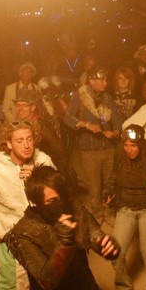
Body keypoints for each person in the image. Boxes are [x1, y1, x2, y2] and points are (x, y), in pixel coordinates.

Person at [4, 166, 120, 290]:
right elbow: (47, 281)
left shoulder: (74, 208)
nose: (59, 204)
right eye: (51, 200)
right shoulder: (24, 232)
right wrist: (64, 243)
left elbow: (95, 235)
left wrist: (105, 246)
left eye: (61, 197)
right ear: (38, 203)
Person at [0, 120, 55, 290]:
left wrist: (39, 176)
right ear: (8, 143)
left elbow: (59, 194)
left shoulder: (43, 160)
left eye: (29, 139)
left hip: (44, 237)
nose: (26, 145)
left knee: (50, 288)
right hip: (13, 242)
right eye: (19, 141)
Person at [102, 125, 146, 290]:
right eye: (126, 145)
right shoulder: (120, 154)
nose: (129, 149)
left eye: (133, 145)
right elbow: (113, 177)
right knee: (115, 251)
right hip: (126, 208)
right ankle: (123, 286)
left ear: (141, 144)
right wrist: (107, 193)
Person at [63, 67, 121, 224]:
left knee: (110, 183)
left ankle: (108, 211)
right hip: (89, 149)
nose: (105, 83)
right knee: (94, 186)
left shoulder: (107, 98)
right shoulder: (80, 97)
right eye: (102, 80)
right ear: (92, 81)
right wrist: (86, 125)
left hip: (108, 147)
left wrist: (115, 131)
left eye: (106, 80)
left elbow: (116, 117)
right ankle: (97, 213)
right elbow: (67, 118)